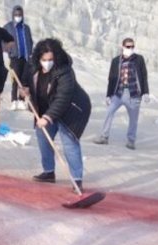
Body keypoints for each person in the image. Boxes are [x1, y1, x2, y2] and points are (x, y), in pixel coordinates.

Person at [20, 38, 92, 191]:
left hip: (71, 110)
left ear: (56, 57)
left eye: (51, 59)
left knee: (69, 142)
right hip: (47, 109)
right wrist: (24, 91)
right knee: (43, 136)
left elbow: (63, 98)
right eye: (44, 59)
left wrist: (47, 117)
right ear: (39, 58)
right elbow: (26, 83)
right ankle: (49, 172)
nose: (47, 62)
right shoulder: (33, 67)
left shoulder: (65, 71)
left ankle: (77, 179)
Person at [94, 37, 149, 150]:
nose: (131, 48)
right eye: (128, 46)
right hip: (118, 93)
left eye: (132, 46)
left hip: (133, 94)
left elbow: (144, 76)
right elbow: (111, 78)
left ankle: (131, 141)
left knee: (133, 119)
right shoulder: (116, 61)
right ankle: (104, 137)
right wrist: (108, 95)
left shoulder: (139, 59)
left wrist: (146, 92)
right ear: (123, 47)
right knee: (109, 112)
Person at [3, 5, 33, 111]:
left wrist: (30, 53)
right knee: (15, 79)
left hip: (26, 57)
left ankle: (21, 100)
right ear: (13, 15)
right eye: (16, 15)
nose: (18, 16)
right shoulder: (8, 27)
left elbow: (30, 41)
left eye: (20, 15)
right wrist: (8, 53)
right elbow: (2, 42)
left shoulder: (26, 28)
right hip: (15, 57)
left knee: (24, 80)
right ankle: (13, 100)